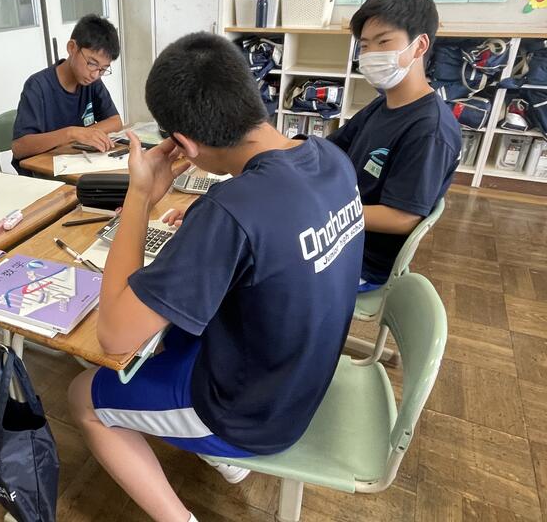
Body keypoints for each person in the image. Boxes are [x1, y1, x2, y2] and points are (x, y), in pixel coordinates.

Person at [67, 32, 364, 522]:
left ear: (184, 145)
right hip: (304, 376)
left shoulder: (231, 212)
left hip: (251, 412)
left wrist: (140, 196)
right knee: (167, 336)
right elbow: (277, 232)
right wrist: (210, 220)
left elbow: (114, 334)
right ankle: (221, 460)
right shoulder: (330, 157)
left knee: (82, 395)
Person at [327, 0, 461, 291]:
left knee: (255, 263)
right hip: (342, 228)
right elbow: (333, 147)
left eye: (384, 42)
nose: (371, 54)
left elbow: (402, 217)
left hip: (361, 259)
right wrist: (280, 149)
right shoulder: (384, 104)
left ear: (419, 45)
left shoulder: (430, 130)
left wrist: (326, 214)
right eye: (364, 46)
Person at [11, 14, 123, 172]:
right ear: (72, 48)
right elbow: (19, 147)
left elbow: (115, 121)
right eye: (92, 63)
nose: (95, 74)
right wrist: (72, 133)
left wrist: (85, 134)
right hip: (42, 173)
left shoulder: (92, 81)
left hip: (76, 166)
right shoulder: (38, 86)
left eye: (103, 69)